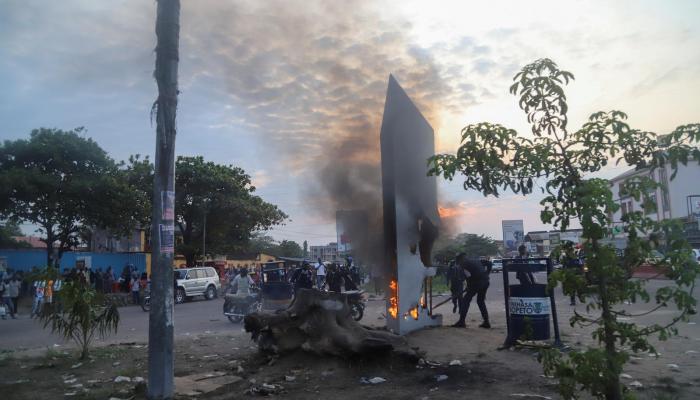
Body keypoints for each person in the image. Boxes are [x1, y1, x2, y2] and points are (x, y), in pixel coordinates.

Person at [453, 253, 491, 329]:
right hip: (485, 281)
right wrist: (487, 273)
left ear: (460, 259)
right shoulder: (475, 260)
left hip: (478, 282)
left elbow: (467, 277)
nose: (458, 263)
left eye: (458, 261)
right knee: (480, 301)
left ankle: (461, 321)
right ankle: (486, 322)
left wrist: (469, 286)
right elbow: (489, 263)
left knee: (465, 300)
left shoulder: (464, 264)